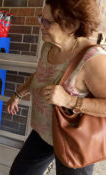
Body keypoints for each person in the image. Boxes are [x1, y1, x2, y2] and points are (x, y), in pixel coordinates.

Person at [6, 0, 106, 174]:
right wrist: (18, 94)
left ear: (71, 25)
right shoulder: (48, 47)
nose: (40, 26)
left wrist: (69, 100)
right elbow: (40, 75)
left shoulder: (92, 60)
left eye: (47, 22)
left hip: (74, 140)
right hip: (44, 134)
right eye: (40, 19)